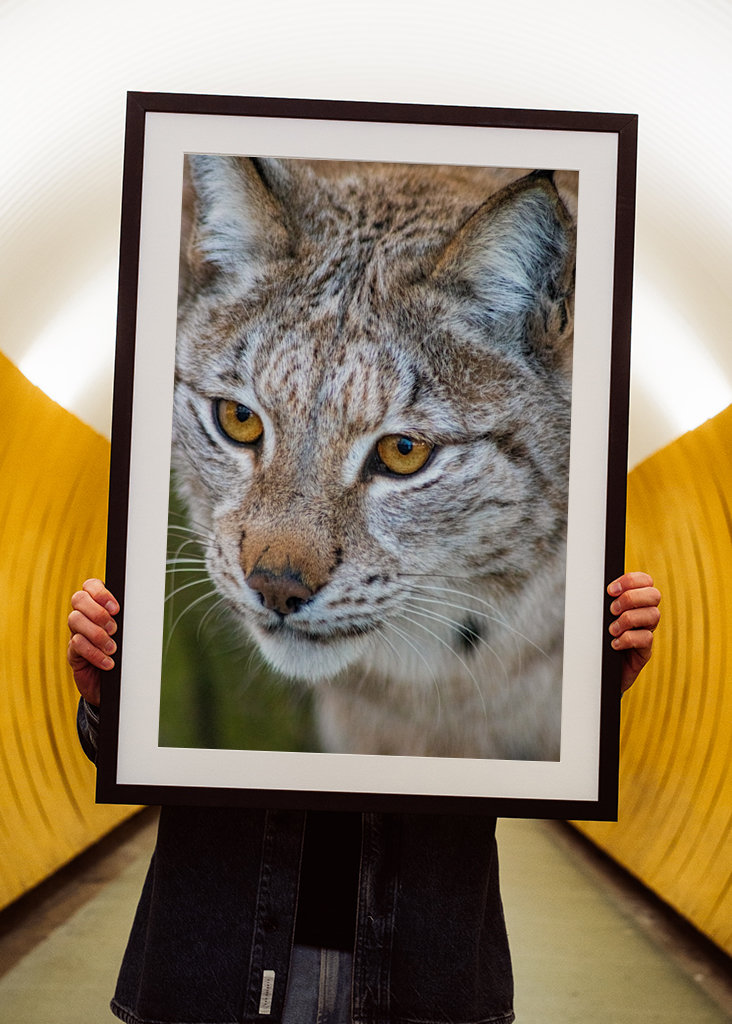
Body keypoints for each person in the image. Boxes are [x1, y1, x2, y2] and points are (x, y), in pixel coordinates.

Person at [68, 572, 661, 1024]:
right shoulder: (188, 628)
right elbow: (123, 755)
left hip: (418, 958)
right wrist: (109, 702)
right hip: (223, 951)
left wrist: (586, 690)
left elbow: (526, 749)